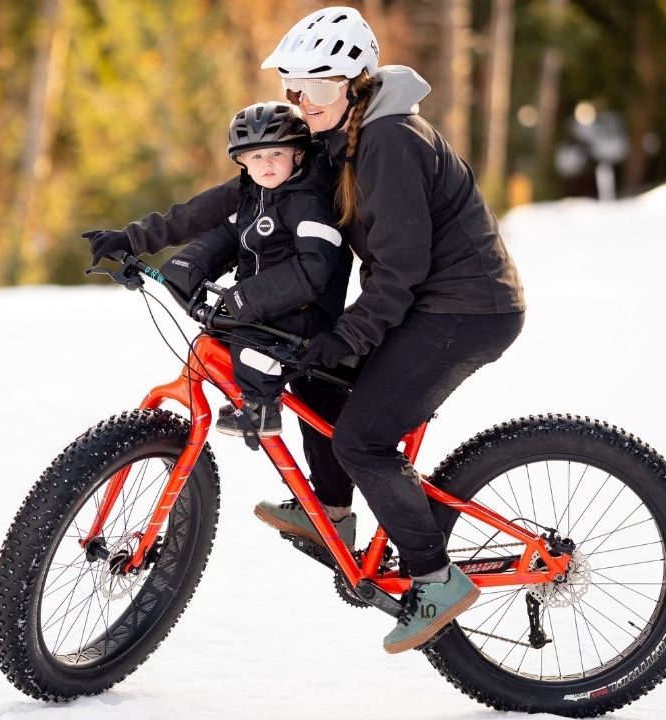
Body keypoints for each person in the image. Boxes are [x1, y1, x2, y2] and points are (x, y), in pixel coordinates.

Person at [84, 5, 524, 655]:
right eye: (292, 88)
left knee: (363, 437)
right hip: (417, 304)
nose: (299, 101)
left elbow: (402, 269)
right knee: (312, 376)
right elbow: (244, 202)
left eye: (312, 89)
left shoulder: (391, 140)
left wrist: (345, 335)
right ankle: (335, 519)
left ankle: (436, 578)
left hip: (463, 310)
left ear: (352, 84)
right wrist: (143, 240)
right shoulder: (335, 141)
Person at [94, 101, 348, 441]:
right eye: (256, 156)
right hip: (266, 307)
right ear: (241, 160)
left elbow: (314, 269)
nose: (267, 164)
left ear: (298, 154)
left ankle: (261, 409)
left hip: (306, 314)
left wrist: (246, 297)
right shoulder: (252, 191)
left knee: (248, 341)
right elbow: (202, 219)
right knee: (219, 334)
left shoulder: (309, 201)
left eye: (276, 153)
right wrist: (146, 247)